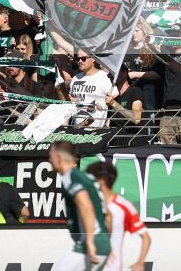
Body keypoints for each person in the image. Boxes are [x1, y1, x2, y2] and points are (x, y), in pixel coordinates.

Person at [49, 141, 111, 270]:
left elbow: (86, 206)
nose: (49, 160)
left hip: (90, 244)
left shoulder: (71, 176)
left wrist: (89, 241)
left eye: (51, 156)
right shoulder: (86, 177)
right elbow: (107, 212)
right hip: (101, 243)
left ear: (59, 158)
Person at [86, 162, 151, 271]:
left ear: (101, 181)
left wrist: (140, 263)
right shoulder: (86, 204)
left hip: (111, 267)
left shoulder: (124, 206)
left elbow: (146, 238)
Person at [65, 50, 117, 129]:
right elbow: (72, 100)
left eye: (83, 58)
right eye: (77, 59)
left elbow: (114, 97)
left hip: (95, 130)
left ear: (93, 58)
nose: (80, 61)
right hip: (75, 129)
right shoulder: (76, 78)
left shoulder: (105, 77)